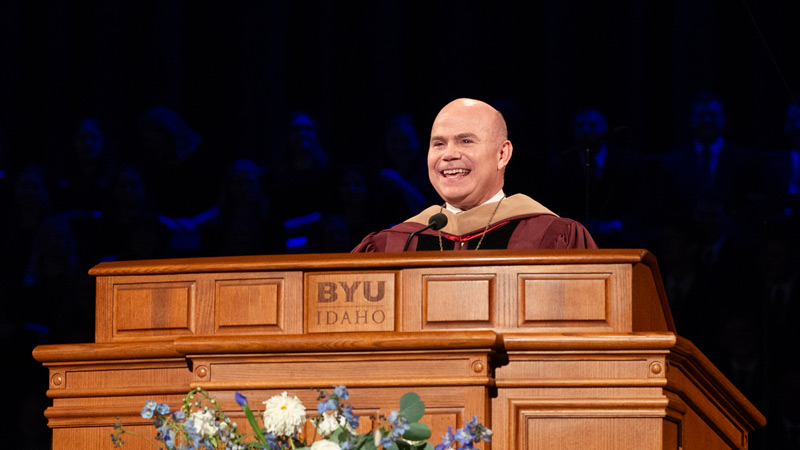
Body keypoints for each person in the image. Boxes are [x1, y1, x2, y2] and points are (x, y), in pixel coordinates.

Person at [352, 98, 597, 252]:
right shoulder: (394, 243)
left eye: (466, 141)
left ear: (502, 154)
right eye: (438, 144)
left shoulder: (552, 237)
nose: (448, 155)